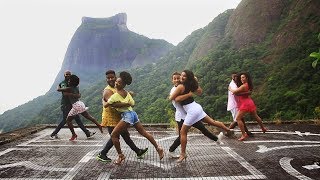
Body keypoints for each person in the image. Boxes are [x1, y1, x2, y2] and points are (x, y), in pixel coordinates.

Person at [170, 70, 233, 163]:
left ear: (187, 78)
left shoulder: (180, 86)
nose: (181, 78)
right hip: (196, 107)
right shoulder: (190, 85)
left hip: (191, 111)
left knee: (183, 132)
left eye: (183, 76)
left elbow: (173, 98)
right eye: (180, 76)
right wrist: (193, 86)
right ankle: (228, 130)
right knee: (212, 122)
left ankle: (182, 154)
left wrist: (186, 94)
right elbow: (199, 92)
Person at [106, 71, 164, 165]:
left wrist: (105, 101)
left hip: (127, 116)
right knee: (143, 132)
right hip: (133, 114)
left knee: (113, 135)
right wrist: (126, 103)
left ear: (124, 84)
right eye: (116, 81)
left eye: (119, 82)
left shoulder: (115, 95)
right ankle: (158, 148)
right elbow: (132, 103)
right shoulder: (127, 93)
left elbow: (106, 105)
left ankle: (121, 155)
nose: (116, 83)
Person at [96, 70, 148, 162]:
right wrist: (127, 104)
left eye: (112, 77)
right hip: (110, 117)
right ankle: (102, 154)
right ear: (106, 79)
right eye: (108, 78)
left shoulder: (116, 87)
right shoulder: (107, 91)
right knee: (114, 136)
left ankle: (138, 151)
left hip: (119, 116)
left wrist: (129, 95)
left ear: (116, 77)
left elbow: (121, 95)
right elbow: (113, 104)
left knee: (125, 135)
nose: (111, 79)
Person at [50, 70, 95, 139]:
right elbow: (65, 92)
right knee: (65, 120)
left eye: (69, 74)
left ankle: (87, 133)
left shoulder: (72, 83)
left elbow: (78, 94)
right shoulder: (64, 83)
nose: (68, 75)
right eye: (66, 74)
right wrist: (73, 93)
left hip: (73, 105)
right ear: (64, 75)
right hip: (66, 105)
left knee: (77, 119)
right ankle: (54, 134)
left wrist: (76, 94)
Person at [58, 74, 103, 140]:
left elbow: (59, 90)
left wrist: (58, 86)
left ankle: (74, 134)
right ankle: (98, 125)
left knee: (68, 120)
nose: (68, 81)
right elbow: (78, 95)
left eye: (69, 80)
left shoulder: (69, 88)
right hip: (80, 104)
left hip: (76, 105)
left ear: (71, 82)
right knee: (88, 116)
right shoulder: (76, 87)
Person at [228, 72, 267, 141]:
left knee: (238, 119)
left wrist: (230, 88)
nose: (241, 79)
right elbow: (245, 93)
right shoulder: (247, 85)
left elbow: (235, 92)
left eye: (243, 77)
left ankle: (243, 134)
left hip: (245, 104)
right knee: (256, 116)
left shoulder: (243, 86)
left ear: (246, 78)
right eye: (241, 78)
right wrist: (241, 94)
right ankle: (263, 128)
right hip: (250, 102)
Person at [227, 72, 253, 137]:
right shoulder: (232, 85)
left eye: (236, 76)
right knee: (237, 120)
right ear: (232, 77)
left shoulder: (236, 83)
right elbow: (236, 93)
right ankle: (227, 132)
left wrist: (247, 92)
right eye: (234, 77)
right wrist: (247, 93)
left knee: (241, 119)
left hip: (237, 104)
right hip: (234, 104)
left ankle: (247, 132)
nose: (236, 78)